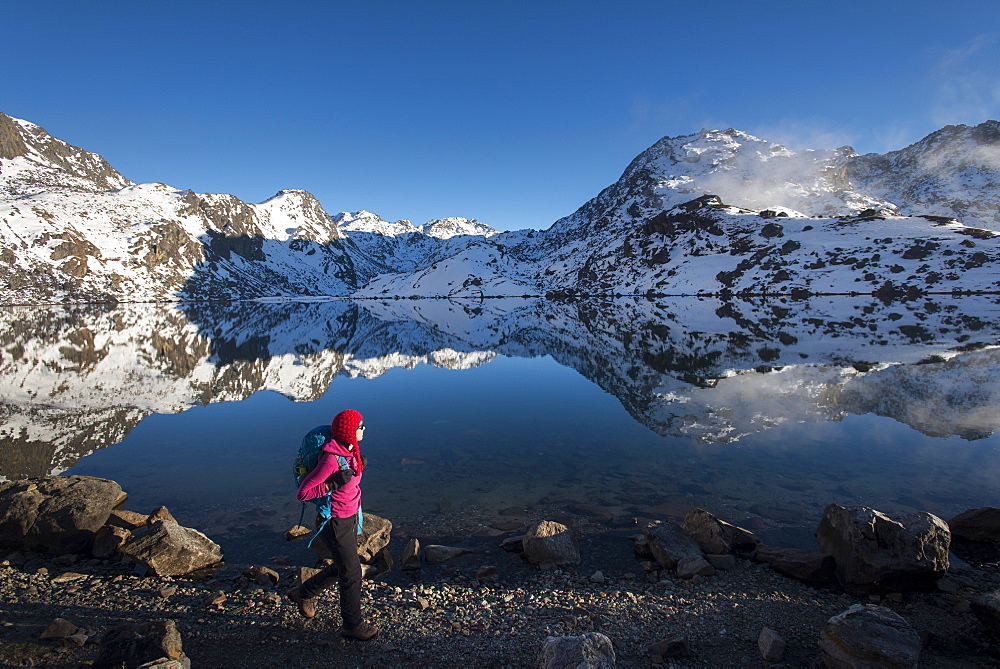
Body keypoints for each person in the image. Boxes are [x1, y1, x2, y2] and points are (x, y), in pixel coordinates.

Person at [286, 409, 378, 640]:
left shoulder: (349, 450)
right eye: (360, 426)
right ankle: (352, 625)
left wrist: (358, 467)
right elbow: (303, 493)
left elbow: (349, 480)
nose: (364, 428)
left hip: (349, 517)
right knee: (352, 572)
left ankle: (302, 593)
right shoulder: (329, 459)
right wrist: (331, 484)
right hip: (334, 522)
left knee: (342, 567)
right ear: (349, 431)